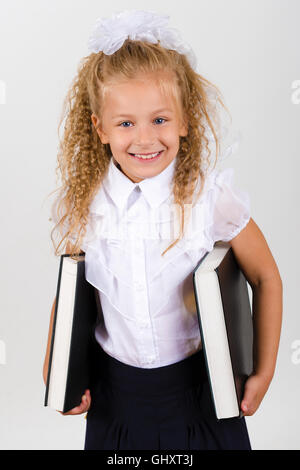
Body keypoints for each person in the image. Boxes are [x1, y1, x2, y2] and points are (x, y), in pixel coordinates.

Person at [43, 9, 283, 450]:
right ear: (99, 128)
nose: (145, 138)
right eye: (126, 123)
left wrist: (263, 371)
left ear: (185, 120)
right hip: (117, 399)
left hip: (199, 393)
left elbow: (266, 276)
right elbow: (74, 289)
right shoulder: (85, 206)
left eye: (160, 119)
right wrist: (57, 368)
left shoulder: (210, 200)